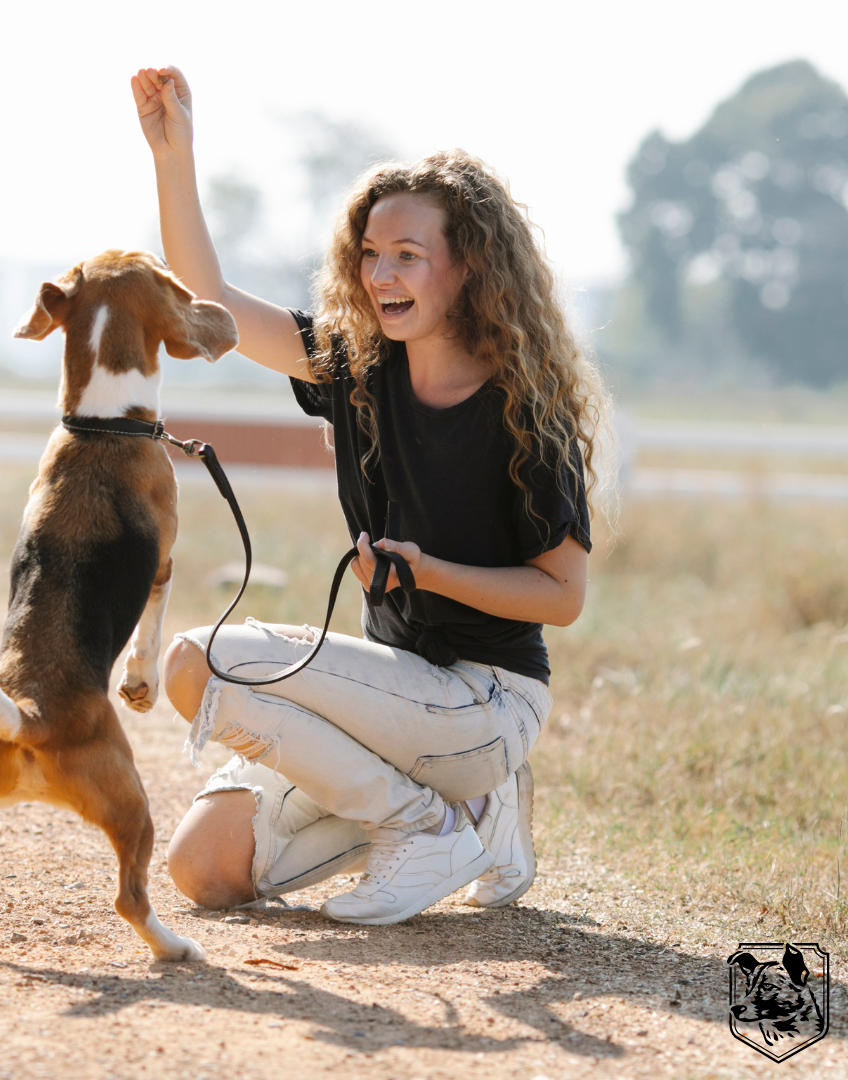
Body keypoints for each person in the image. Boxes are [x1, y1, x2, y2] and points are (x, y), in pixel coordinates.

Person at [130, 65, 608, 925]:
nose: (382, 273)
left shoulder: (526, 413)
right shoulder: (354, 368)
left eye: (409, 255)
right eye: (371, 254)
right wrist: (175, 156)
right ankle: (473, 819)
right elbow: (213, 303)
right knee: (205, 871)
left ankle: (428, 822)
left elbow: (564, 597)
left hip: (484, 701)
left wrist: (430, 571)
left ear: (468, 270)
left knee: (196, 661)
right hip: (391, 700)